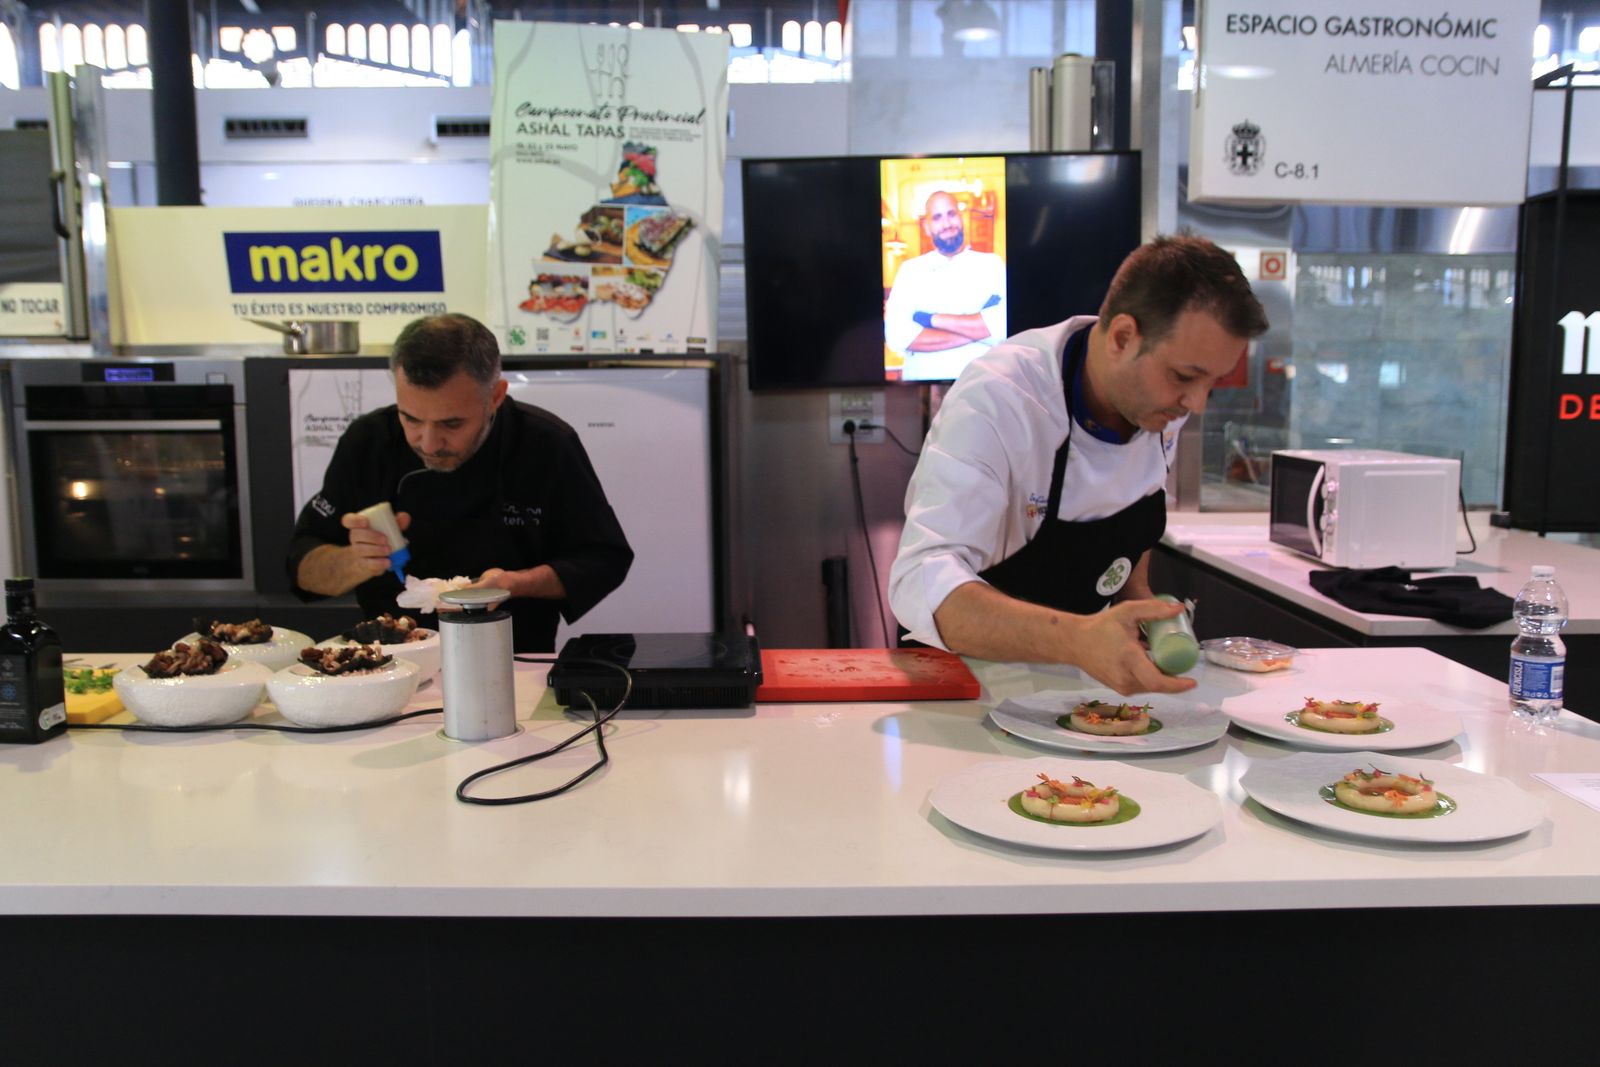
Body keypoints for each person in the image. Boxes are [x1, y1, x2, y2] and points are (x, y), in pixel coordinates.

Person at [888, 234, 1269, 695]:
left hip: (1079, 687)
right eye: (1185, 377)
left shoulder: (1157, 403)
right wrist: (1077, 639)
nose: (1197, 403)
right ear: (1124, 337)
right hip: (966, 685)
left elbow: (1129, 517)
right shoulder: (1000, 398)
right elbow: (921, 577)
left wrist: (1146, 615)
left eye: (1213, 382)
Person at [287, 313, 634, 653]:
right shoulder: (369, 442)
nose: (428, 442)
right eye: (410, 418)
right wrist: (357, 561)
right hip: (390, 663)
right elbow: (301, 568)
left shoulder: (544, 443)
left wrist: (514, 584)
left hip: (515, 662)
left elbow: (604, 559)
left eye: (451, 424)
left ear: (495, 396)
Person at [882, 190, 1007, 382]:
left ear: (961, 217)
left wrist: (931, 319)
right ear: (926, 226)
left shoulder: (993, 265)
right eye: (938, 217)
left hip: (984, 387)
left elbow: (1003, 327)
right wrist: (979, 330)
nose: (947, 224)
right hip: (926, 388)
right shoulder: (909, 271)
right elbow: (897, 337)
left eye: (951, 214)